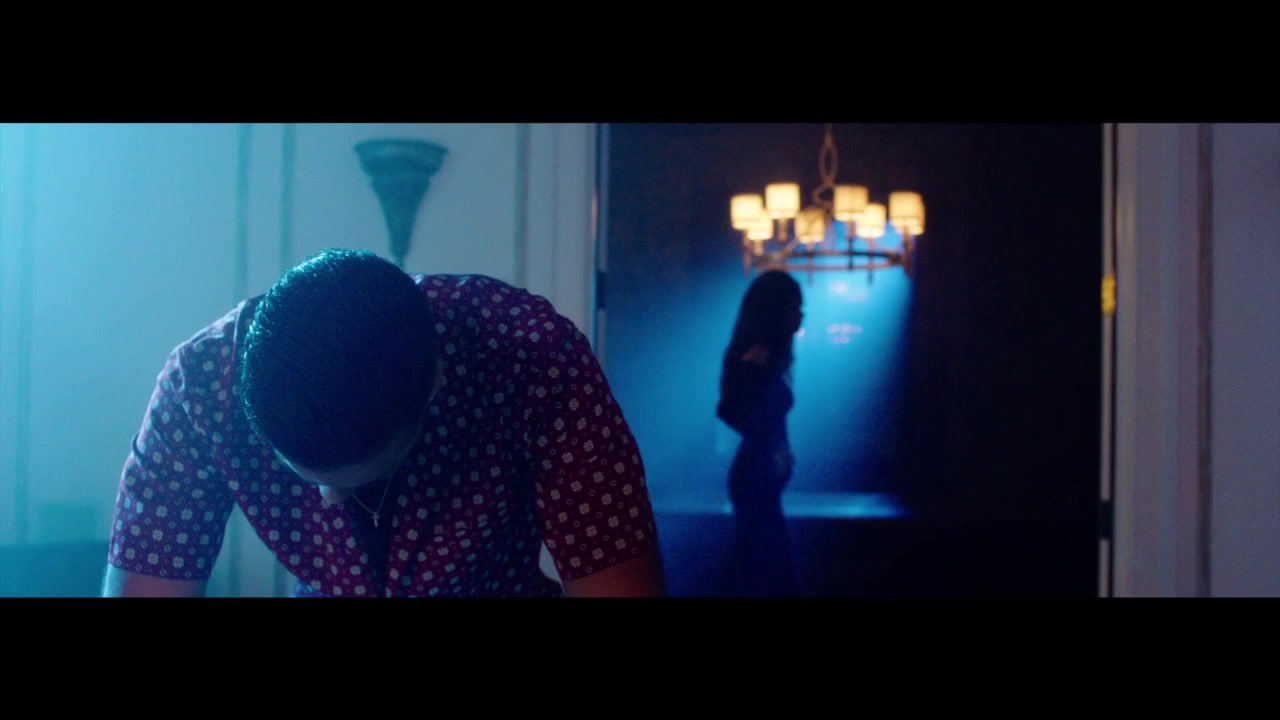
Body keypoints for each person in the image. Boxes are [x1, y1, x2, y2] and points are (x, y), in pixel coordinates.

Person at [101, 248, 666, 598]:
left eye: (353, 480)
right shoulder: (201, 386)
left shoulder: (532, 356)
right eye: (308, 476)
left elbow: (615, 583)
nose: (329, 501)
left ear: (435, 385)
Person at [715, 270, 804, 597]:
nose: (800, 316)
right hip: (756, 477)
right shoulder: (758, 356)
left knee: (764, 565)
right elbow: (728, 408)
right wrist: (765, 442)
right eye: (794, 308)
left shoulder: (766, 357)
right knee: (766, 567)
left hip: (759, 476)